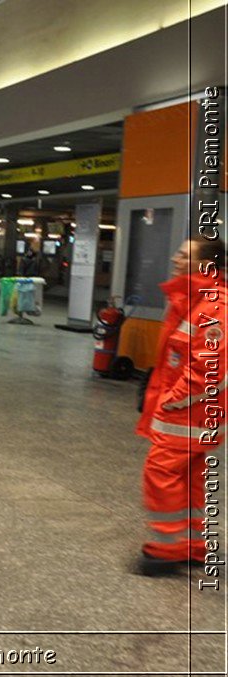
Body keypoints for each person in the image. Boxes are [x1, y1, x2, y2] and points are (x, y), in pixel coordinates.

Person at [135, 236, 225, 575]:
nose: (176, 259)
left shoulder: (213, 306)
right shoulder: (192, 299)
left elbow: (209, 369)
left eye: (185, 255)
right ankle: (193, 544)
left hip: (189, 415)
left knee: (161, 474)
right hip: (191, 414)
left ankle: (167, 548)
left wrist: (170, 402)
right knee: (189, 478)